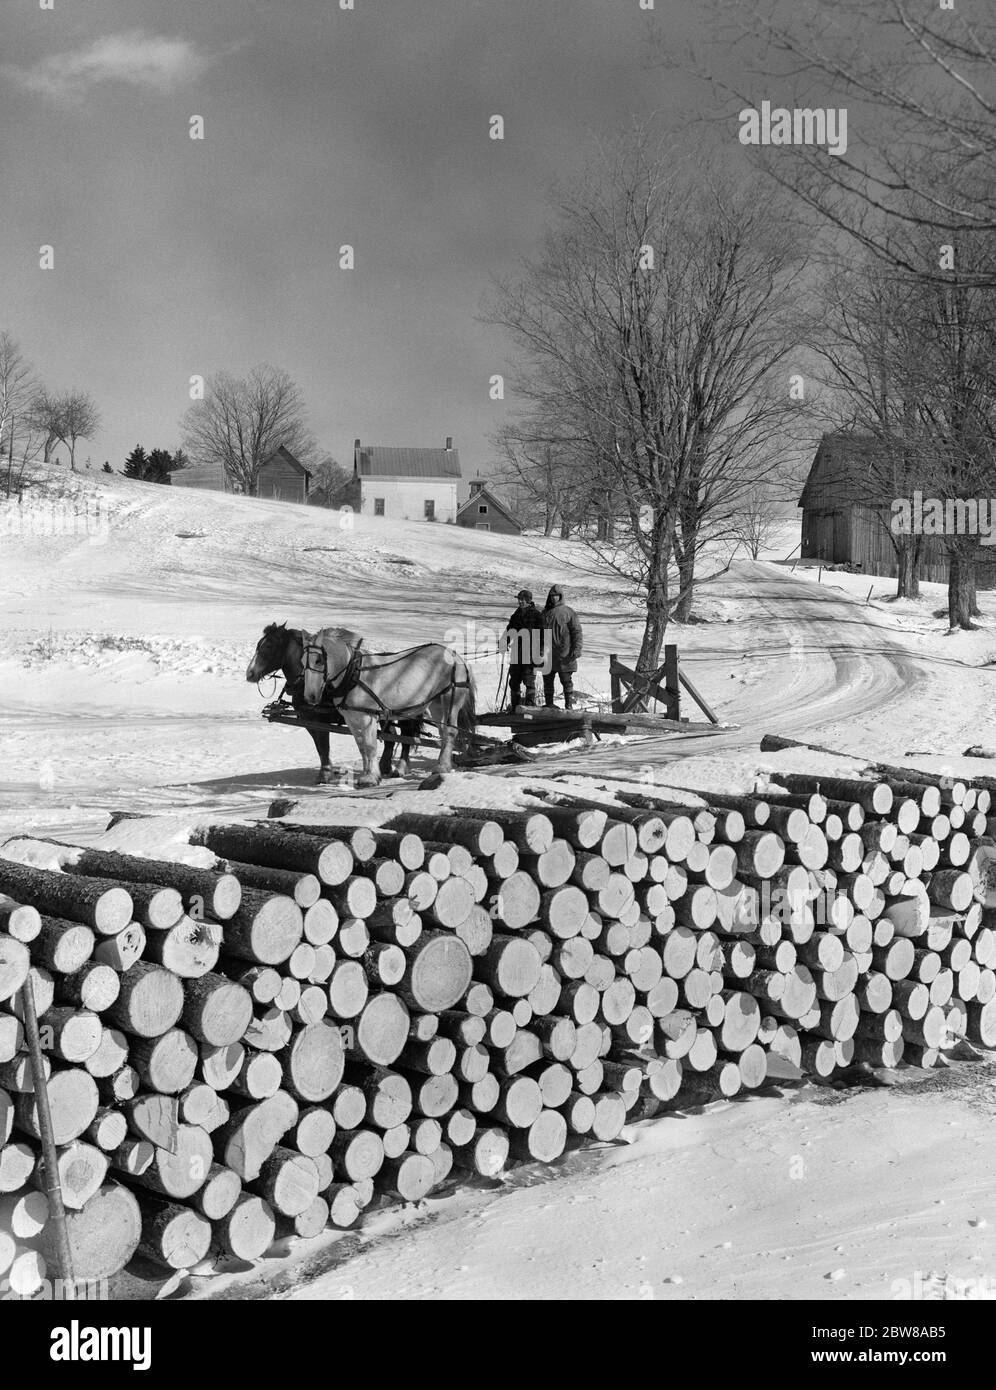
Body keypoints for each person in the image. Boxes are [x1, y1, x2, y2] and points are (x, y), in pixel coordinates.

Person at [541, 584, 583, 709]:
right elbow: (539, 633)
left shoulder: (568, 612)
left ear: (561, 596)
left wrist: (577, 648)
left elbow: (577, 631)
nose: (554, 598)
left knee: (565, 679)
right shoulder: (544, 613)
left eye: (556, 596)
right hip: (548, 653)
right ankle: (549, 704)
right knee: (547, 680)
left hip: (564, 652)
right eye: (552, 596)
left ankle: (568, 704)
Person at [502, 588, 543, 709]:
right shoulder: (516, 615)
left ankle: (530, 707)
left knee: (528, 680)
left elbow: (543, 635)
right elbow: (510, 630)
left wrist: (540, 651)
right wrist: (504, 642)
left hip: (530, 653)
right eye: (519, 599)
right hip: (516, 652)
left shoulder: (536, 615)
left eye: (522, 600)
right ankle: (516, 707)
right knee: (514, 681)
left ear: (528, 601)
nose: (519, 602)